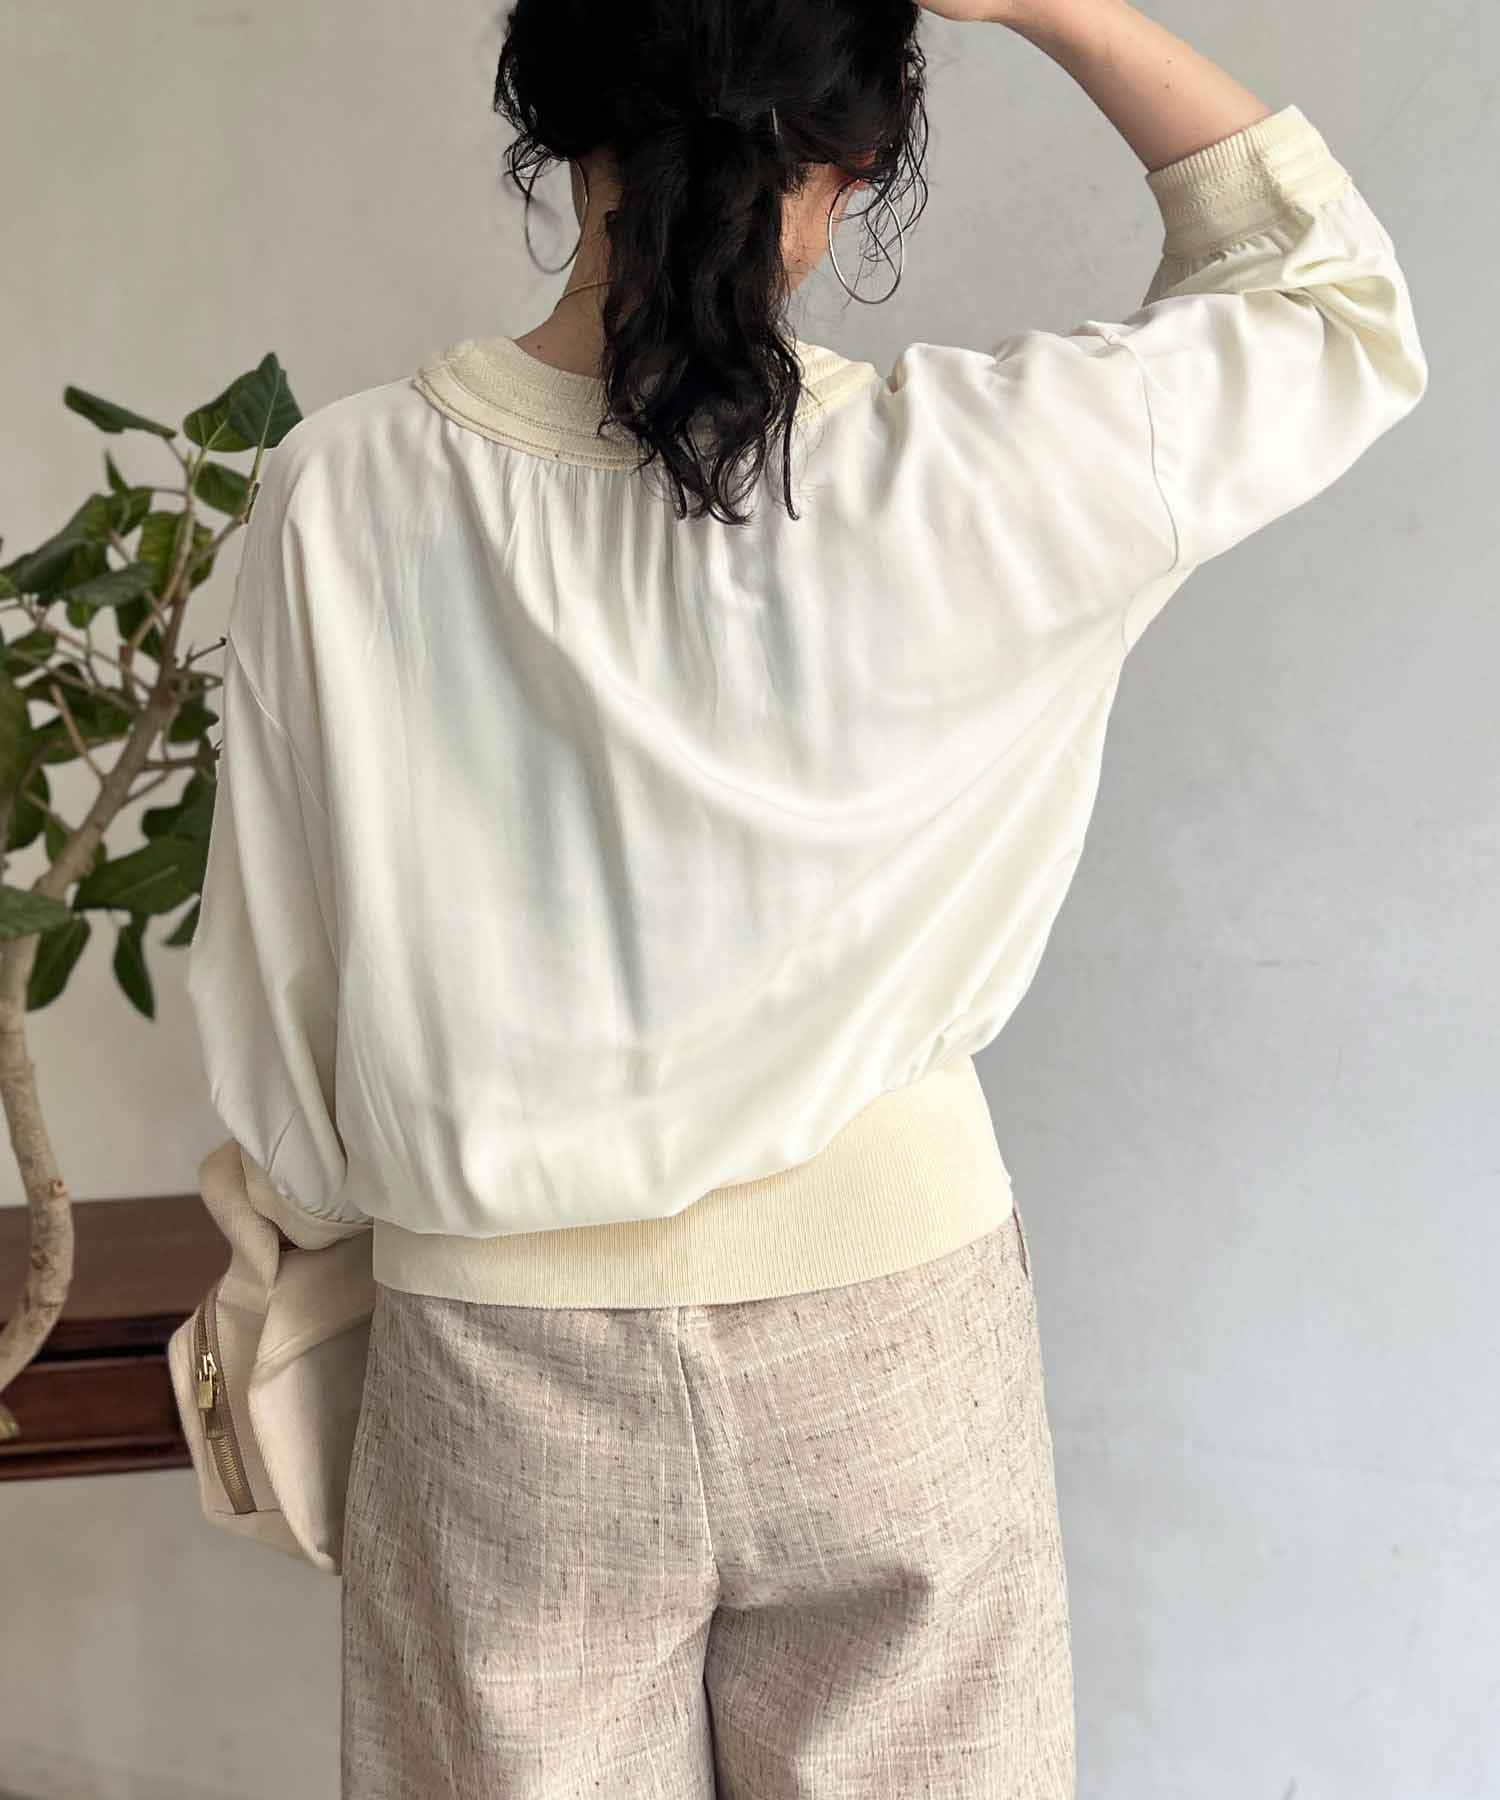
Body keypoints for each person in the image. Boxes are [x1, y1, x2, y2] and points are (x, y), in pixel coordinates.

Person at [183, 0, 1427, 1792]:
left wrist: (319, 1229)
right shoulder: (980, 471)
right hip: (892, 1325)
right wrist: (1055, 5)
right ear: (854, 165)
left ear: (555, 130)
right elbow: (1327, 303)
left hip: (501, 1353)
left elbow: (289, 991)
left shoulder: (340, 491)